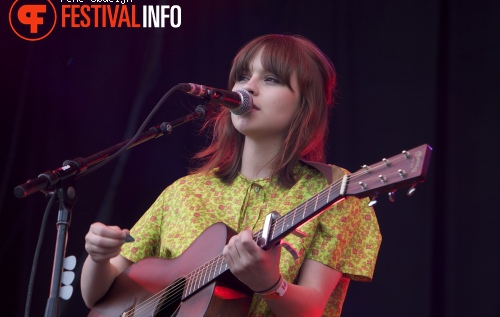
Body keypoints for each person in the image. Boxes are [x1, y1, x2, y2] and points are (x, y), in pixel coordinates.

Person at [81, 34, 382, 317]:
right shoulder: (184, 193)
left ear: (306, 105)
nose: (247, 88)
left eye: (271, 79)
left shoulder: (333, 190)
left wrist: (270, 284)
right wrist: (97, 258)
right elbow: (98, 298)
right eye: (242, 76)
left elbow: (313, 309)